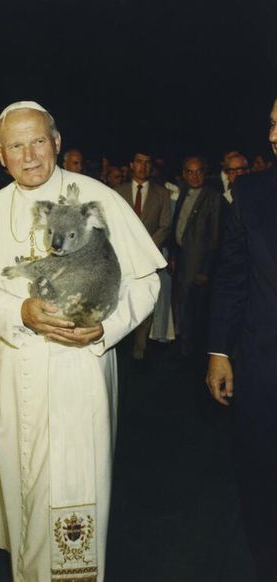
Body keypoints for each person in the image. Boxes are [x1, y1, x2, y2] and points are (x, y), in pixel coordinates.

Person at [0, 101, 166, 582]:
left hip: (78, 368)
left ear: (57, 142)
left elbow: (146, 281)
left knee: (73, 484)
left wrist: (106, 327)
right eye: (17, 145)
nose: (29, 156)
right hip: (11, 363)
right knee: (20, 489)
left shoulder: (98, 199)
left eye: (38, 141)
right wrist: (17, 311)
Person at [206, 98, 277, 582]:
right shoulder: (249, 194)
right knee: (260, 479)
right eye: (273, 123)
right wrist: (219, 352)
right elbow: (232, 279)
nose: (273, 136)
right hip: (261, 364)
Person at [116, 150, 171, 360]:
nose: (143, 167)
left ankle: (140, 348)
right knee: (120, 300)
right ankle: (119, 344)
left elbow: (165, 226)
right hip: (122, 257)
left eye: (147, 163)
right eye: (139, 162)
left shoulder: (162, 193)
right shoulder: (117, 192)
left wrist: (145, 249)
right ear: (132, 164)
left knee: (144, 300)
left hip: (148, 259)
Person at [170, 155, 221, 358]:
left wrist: (205, 270)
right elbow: (176, 227)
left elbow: (215, 237)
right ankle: (182, 344)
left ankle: (193, 354)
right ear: (184, 174)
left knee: (196, 309)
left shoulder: (213, 197)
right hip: (181, 260)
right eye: (190, 172)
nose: (195, 176)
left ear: (205, 172)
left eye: (199, 171)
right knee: (181, 304)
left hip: (198, 265)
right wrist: (173, 255)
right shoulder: (182, 194)